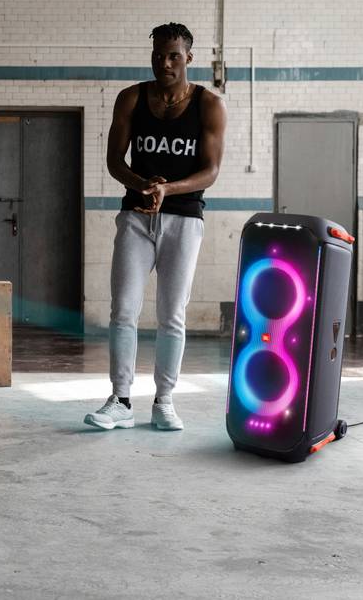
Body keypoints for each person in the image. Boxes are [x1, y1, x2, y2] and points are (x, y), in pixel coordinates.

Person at [84, 22, 226, 432]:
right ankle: (121, 400)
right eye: (158, 55)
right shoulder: (131, 98)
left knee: (172, 314)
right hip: (136, 217)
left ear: (189, 58)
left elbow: (211, 171)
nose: (164, 63)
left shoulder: (209, 104)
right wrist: (143, 185)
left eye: (173, 56)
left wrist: (169, 189)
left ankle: (164, 401)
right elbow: (114, 161)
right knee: (124, 310)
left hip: (184, 219)